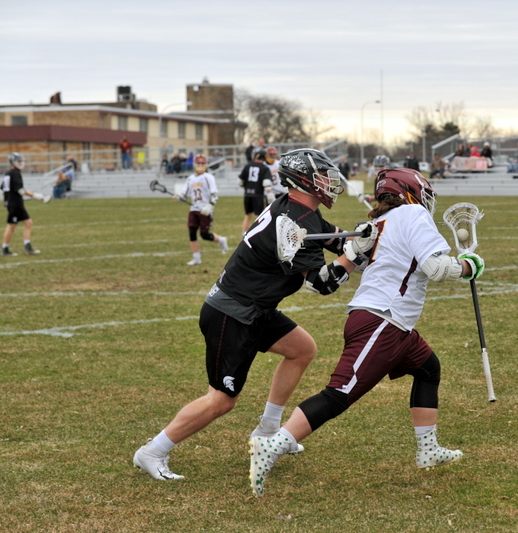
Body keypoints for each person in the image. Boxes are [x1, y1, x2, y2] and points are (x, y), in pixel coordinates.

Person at [133, 148, 377, 481]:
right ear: (302, 181)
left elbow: (331, 238)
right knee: (221, 400)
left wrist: (358, 237)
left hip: (254, 306)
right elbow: (322, 284)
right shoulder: (293, 220)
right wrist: (351, 257)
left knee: (301, 349)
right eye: (321, 175)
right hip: (233, 312)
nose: (329, 181)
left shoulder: (301, 210)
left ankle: (267, 432)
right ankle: (152, 451)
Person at [248, 167, 485, 497]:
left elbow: (361, 263)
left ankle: (427, 449)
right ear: (411, 192)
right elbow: (435, 268)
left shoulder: (379, 224)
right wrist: (468, 265)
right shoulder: (413, 213)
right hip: (382, 320)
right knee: (339, 394)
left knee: (429, 369)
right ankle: (273, 445)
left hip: (393, 323)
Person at [175, 155, 228, 264]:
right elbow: (184, 195)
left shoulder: (208, 177)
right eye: (198, 163)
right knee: (192, 232)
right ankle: (196, 258)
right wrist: (179, 197)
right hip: (194, 209)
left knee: (204, 235)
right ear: (194, 164)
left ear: (206, 165)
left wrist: (210, 205)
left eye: (202, 163)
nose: (200, 166)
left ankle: (221, 240)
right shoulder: (190, 178)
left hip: (205, 209)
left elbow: (214, 195)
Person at [0, 153, 45, 257]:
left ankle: (27, 247)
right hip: (15, 204)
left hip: (14, 203)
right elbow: (20, 190)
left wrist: (9, 196)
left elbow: (2, 189)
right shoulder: (15, 173)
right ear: (13, 162)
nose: (20, 163)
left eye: (21, 161)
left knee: (28, 223)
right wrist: (35, 195)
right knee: (11, 226)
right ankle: (5, 249)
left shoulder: (8, 173)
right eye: (18, 161)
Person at [239, 149, 273, 233]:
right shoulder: (264, 168)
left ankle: (244, 234)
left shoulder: (248, 166)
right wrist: (270, 194)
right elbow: (266, 183)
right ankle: (257, 234)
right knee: (259, 217)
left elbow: (240, 181)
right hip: (257, 195)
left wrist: (247, 187)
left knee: (248, 215)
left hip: (247, 194)